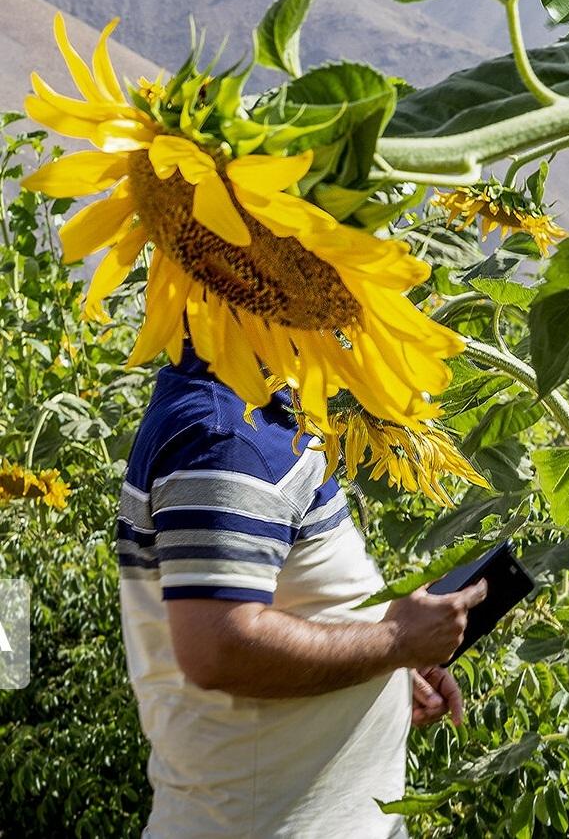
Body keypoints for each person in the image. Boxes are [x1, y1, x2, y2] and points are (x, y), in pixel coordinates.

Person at [117, 339, 487, 838]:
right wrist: (393, 641)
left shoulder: (261, 417)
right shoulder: (228, 437)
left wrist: (394, 664)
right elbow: (218, 648)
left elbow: (290, 604)